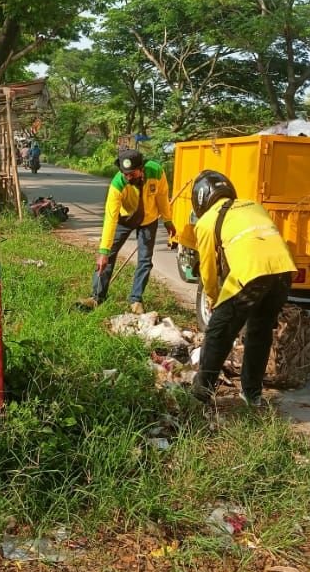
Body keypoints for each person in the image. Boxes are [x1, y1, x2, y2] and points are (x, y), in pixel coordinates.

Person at [189, 170, 297, 407]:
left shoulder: (206, 222)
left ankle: (201, 392)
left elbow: (208, 269)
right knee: (259, 332)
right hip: (283, 272)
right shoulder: (254, 205)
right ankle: (252, 394)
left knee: (219, 331)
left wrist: (213, 298)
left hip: (251, 273)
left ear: (200, 198)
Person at [76, 148, 175, 314]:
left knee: (145, 260)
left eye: (132, 174)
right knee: (108, 257)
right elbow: (110, 218)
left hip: (149, 220)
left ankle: (136, 300)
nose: (128, 177)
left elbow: (162, 197)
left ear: (141, 168)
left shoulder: (156, 172)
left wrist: (167, 220)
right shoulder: (118, 184)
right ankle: (96, 297)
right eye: (125, 174)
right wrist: (103, 251)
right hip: (125, 219)